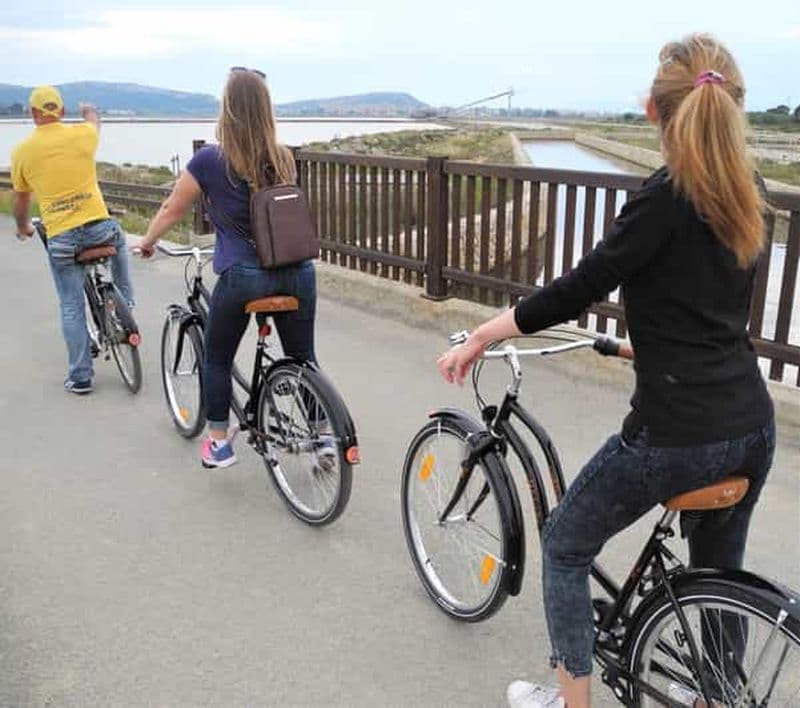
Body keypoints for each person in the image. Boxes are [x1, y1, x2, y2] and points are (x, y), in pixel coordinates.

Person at [436, 34, 775, 708]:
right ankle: (718, 695)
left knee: (563, 544)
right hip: (750, 423)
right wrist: (645, 349)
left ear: (654, 112)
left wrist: (484, 332)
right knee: (717, 577)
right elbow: (712, 311)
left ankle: (570, 700)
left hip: (679, 432)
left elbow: (578, 286)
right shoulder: (750, 189)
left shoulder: (664, 197)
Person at [136, 67, 317, 469]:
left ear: (227, 110)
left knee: (217, 357)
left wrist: (147, 242)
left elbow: (173, 208)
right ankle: (322, 437)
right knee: (303, 358)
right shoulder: (283, 156)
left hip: (242, 276)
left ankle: (219, 443)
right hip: (298, 270)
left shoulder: (209, 160)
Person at [11, 85, 134, 395]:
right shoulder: (82, 134)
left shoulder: (22, 152)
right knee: (119, 238)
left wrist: (24, 227)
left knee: (70, 304)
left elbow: (21, 202)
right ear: (61, 112)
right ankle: (125, 303)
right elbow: (95, 120)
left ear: (33, 113)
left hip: (63, 239)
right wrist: (89, 111)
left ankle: (80, 376)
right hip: (99, 228)